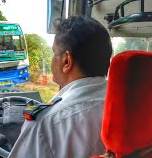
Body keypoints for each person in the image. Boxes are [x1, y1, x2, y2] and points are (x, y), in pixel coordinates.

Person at [8, 16, 113, 158]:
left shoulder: (45, 125)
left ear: (66, 61)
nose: (52, 61)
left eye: (54, 53)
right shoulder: (131, 107)